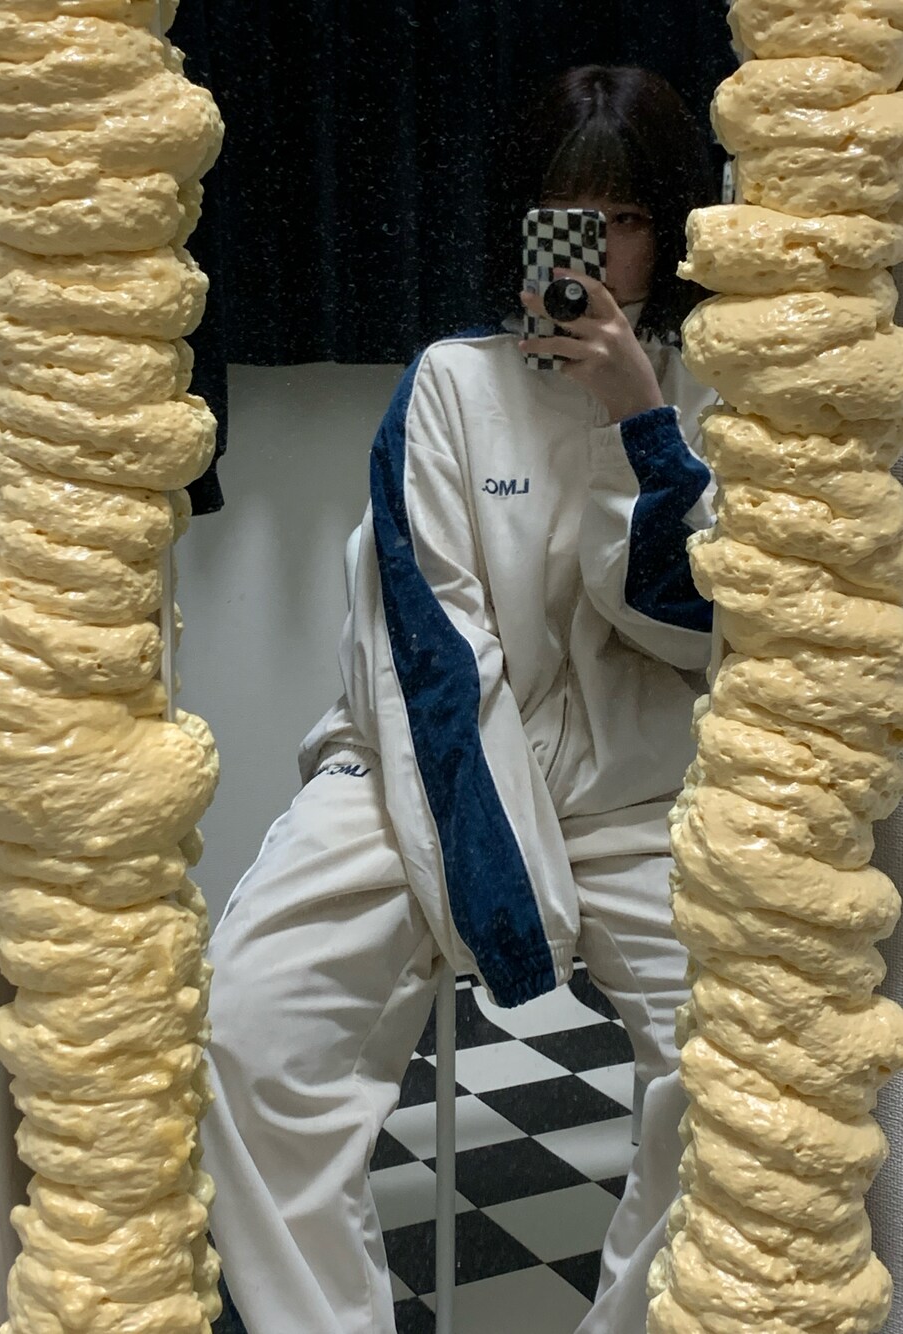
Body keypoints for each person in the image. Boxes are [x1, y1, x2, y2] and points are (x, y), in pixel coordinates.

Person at [203, 64, 720, 1334]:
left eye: (625, 219)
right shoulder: (451, 381)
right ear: (521, 222)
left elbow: (691, 622)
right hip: (412, 773)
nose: (595, 252)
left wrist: (642, 424)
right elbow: (431, 640)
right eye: (566, 216)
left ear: (668, 226)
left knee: (738, 1064)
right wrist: (502, 887)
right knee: (247, 1022)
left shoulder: (714, 391)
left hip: (635, 788)